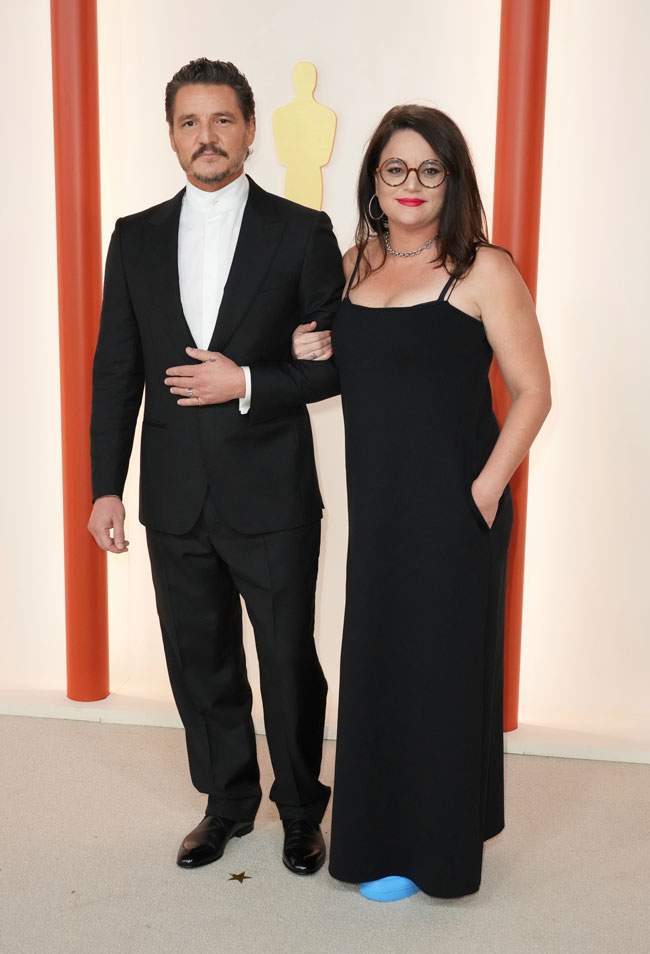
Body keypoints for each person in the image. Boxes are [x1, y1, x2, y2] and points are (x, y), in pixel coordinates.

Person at [88, 58, 344, 876]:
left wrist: (249, 382)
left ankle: (300, 811)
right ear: (171, 135)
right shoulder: (133, 236)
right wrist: (104, 487)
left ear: (250, 130)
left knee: (287, 662)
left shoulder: (302, 231)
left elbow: (335, 365)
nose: (207, 136)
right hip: (173, 496)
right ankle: (227, 803)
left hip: (272, 491)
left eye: (223, 120)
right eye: (190, 122)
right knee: (200, 660)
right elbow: (116, 371)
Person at [292, 105, 551, 901]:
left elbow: (533, 392)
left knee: (440, 675)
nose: (412, 183)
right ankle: (381, 840)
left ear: (452, 179)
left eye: (430, 169)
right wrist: (306, 348)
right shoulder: (352, 264)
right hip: (379, 512)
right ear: (374, 179)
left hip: (455, 510)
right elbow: (344, 374)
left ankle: (435, 853)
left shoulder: (485, 270)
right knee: (380, 665)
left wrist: (483, 491)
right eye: (396, 168)